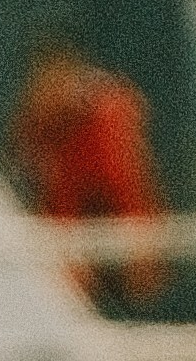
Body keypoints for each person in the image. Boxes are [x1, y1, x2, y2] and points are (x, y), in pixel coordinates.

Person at [12, 36, 164, 296]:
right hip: (72, 215)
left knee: (142, 273)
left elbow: (128, 190)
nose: (48, 90)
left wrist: (142, 256)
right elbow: (51, 193)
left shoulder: (108, 113)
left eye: (57, 80)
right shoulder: (35, 119)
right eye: (42, 83)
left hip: (114, 205)